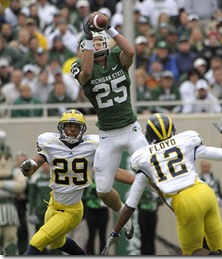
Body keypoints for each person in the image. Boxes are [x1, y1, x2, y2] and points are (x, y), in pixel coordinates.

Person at [101, 113, 222, 256]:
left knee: (193, 252)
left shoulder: (144, 159)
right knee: (221, 247)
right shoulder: (186, 141)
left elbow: (130, 206)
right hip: (206, 192)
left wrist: (115, 232)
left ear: (148, 135)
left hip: (185, 201)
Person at [70, 14, 148, 239]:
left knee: (151, 169)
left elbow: (131, 52)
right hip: (107, 134)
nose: (95, 45)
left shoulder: (117, 56)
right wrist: (88, 37)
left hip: (131, 128)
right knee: (102, 190)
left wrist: (110, 28)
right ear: (85, 47)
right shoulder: (79, 66)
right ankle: (123, 212)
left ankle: (175, 197)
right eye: (90, 43)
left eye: (97, 41)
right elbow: (85, 74)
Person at [20, 109, 135, 255]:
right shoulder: (49, 142)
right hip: (53, 204)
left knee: (36, 242)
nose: (72, 130)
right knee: (57, 243)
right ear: (62, 127)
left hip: (71, 210)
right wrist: (27, 167)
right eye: (68, 126)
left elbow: (114, 171)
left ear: (82, 129)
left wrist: (139, 181)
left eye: (76, 127)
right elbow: (30, 171)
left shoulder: (93, 145)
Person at [83, 183, 109, 255]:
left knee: (103, 236)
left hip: (103, 210)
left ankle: (103, 254)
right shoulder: (88, 179)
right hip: (91, 210)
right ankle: (90, 254)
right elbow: (84, 195)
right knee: (91, 235)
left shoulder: (105, 177)